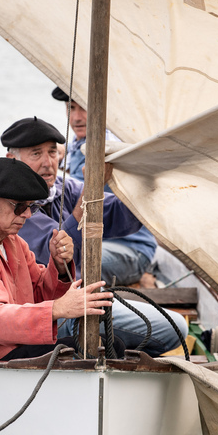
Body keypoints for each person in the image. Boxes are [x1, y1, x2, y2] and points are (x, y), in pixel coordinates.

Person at [1, 116, 188, 356]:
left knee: (168, 328)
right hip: (53, 314)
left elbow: (118, 216)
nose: (48, 162)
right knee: (176, 328)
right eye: (36, 154)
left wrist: (144, 177)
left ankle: (108, 359)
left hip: (81, 300)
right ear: (12, 160)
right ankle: (109, 360)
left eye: (52, 152)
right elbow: (64, 249)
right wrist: (91, 188)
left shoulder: (62, 187)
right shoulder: (13, 206)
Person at [0, 157, 121, 361]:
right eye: (18, 206)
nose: (26, 214)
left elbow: (37, 293)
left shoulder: (12, 240)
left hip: (7, 344)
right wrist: (58, 308)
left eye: (31, 207)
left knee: (112, 345)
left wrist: (59, 266)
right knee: (102, 350)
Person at [53, 86, 158, 287]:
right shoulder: (79, 145)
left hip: (131, 248)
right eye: (70, 108)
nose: (76, 117)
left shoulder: (107, 148)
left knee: (73, 266)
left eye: (83, 108)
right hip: (99, 243)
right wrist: (59, 153)